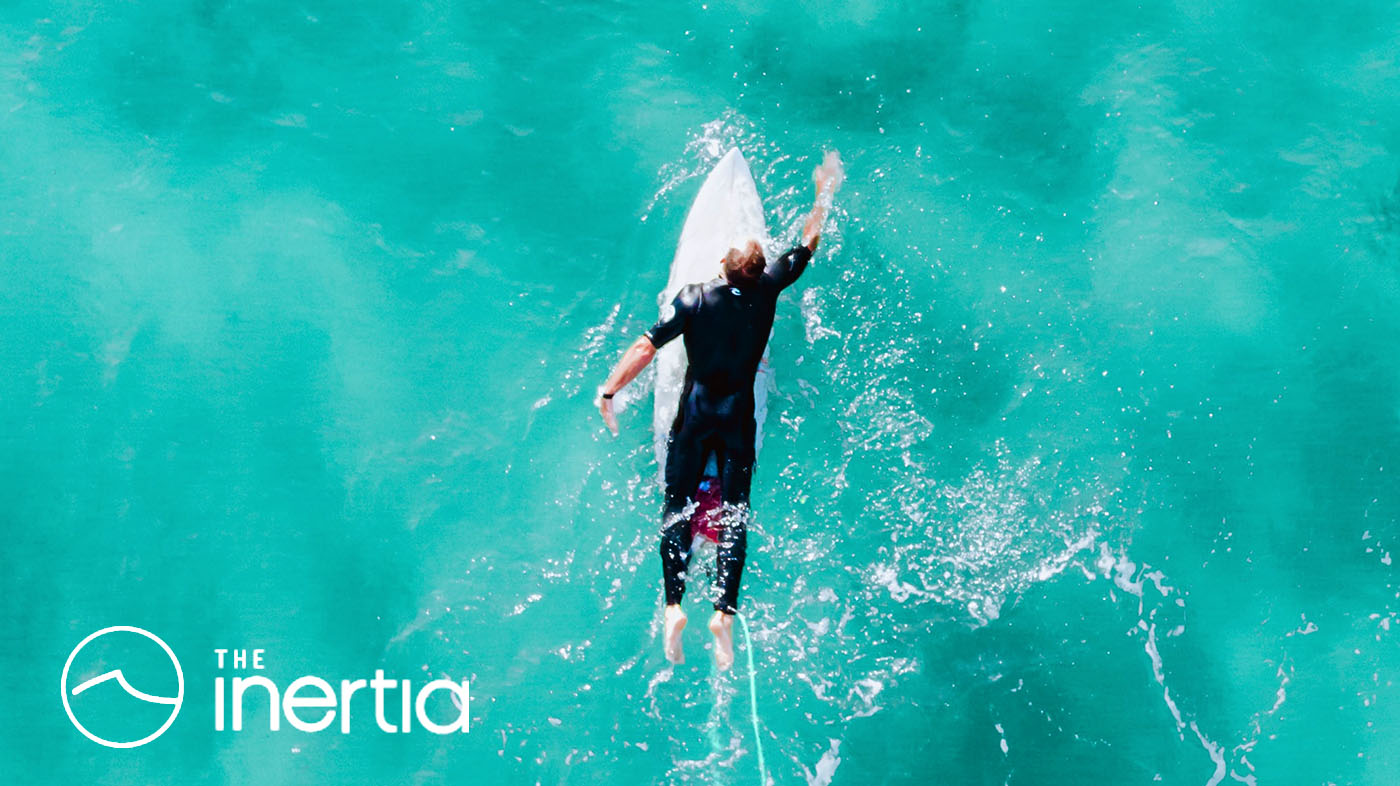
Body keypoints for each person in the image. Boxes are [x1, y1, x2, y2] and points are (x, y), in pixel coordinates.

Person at [597, 152, 844, 670]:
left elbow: (646, 347)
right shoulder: (772, 285)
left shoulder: (694, 299)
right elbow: (805, 246)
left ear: (723, 268)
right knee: (735, 513)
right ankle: (724, 615)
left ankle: (672, 609)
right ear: (757, 271)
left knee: (676, 506)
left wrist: (610, 391)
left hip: (694, 415)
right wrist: (824, 193)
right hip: (738, 418)